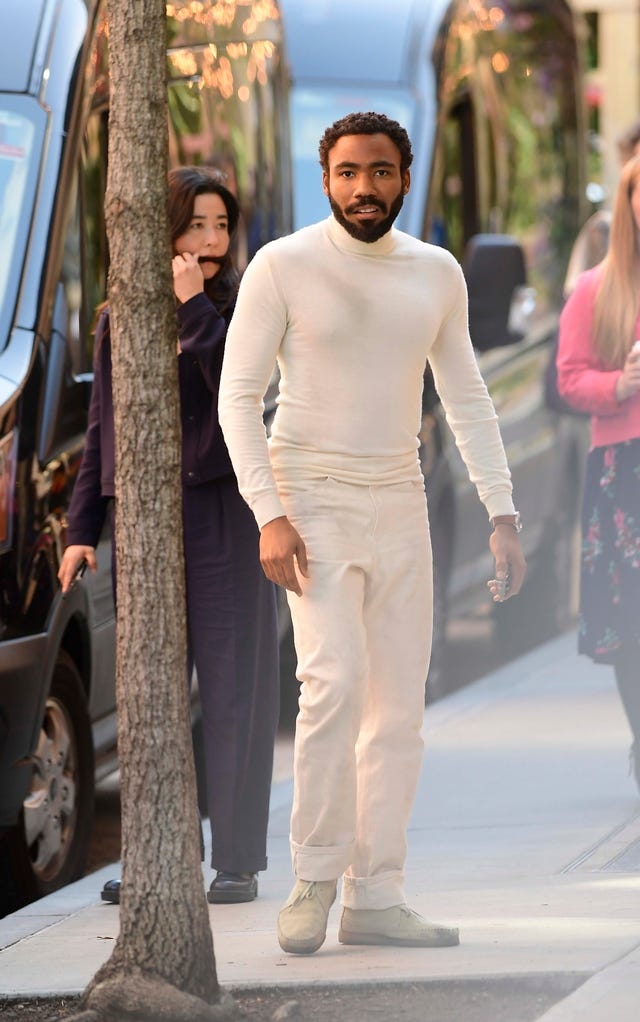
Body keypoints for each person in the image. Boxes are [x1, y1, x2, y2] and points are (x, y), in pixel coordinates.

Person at [218, 111, 526, 955]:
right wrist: (268, 514)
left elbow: (465, 397)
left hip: (400, 499)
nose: (364, 187)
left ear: (405, 176)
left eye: (381, 172)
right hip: (309, 500)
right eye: (349, 172)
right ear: (326, 178)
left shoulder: (437, 273)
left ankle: (377, 894)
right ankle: (315, 877)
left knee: (397, 710)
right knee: (332, 689)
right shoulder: (282, 266)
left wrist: (502, 512)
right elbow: (237, 397)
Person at [58, 166, 280, 905]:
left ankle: (238, 861)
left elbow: (239, 395)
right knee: (152, 695)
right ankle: (159, 859)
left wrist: (193, 307)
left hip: (226, 514)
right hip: (149, 523)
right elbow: (102, 431)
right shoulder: (118, 315)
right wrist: (81, 530)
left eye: (222, 225)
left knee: (232, 695)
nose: (212, 241)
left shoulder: (243, 303)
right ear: (166, 231)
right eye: (196, 226)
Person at [557, 154, 640, 789]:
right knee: (631, 628)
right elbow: (570, 378)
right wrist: (620, 383)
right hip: (623, 473)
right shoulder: (596, 289)